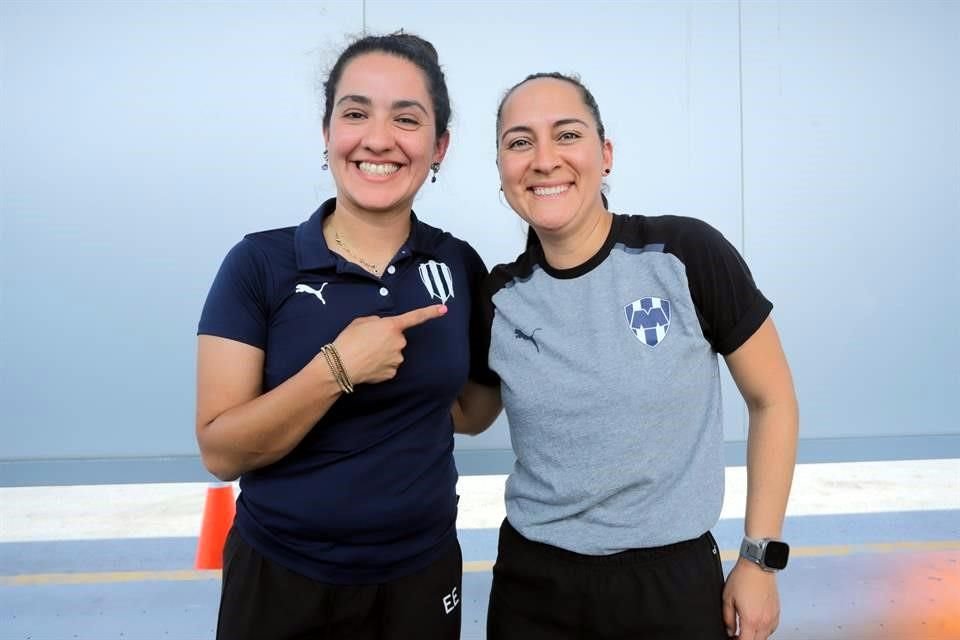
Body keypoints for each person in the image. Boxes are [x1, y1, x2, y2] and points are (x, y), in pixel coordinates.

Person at [194, 32, 500, 640]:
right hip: (282, 576)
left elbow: (472, 410)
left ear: (439, 146)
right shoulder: (259, 264)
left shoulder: (459, 265)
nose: (378, 139)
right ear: (327, 131)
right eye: (355, 113)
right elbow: (220, 452)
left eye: (406, 119)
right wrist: (336, 369)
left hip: (422, 576)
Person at [480, 72, 799, 640]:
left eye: (567, 134)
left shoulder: (684, 253)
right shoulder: (499, 297)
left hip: (667, 584)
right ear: (502, 169)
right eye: (519, 141)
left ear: (605, 155)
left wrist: (758, 559)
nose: (544, 159)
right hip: (533, 587)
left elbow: (772, 400)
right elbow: (464, 412)